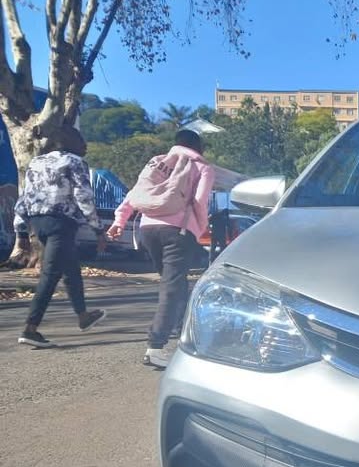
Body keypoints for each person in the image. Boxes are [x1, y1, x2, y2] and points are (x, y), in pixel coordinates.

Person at [107, 129, 214, 368]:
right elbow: (199, 201)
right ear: (198, 147)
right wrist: (201, 228)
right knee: (172, 286)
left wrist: (118, 222)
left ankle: (185, 330)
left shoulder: (157, 162)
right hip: (179, 231)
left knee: (173, 283)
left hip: (147, 230)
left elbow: (134, 195)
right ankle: (156, 346)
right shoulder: (201, 167)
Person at [14, 126, 107, 348]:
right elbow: (83, 196)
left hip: (37, 222)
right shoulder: (75, 162)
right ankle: (30, 328)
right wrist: (98, 229)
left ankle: (83, 316)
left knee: (71, 269)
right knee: (51, 273)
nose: (85, 145)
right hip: (60, 223)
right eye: (81, 140)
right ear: (70, 142)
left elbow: (24, 196)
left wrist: (21, 230)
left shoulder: (36, 162)